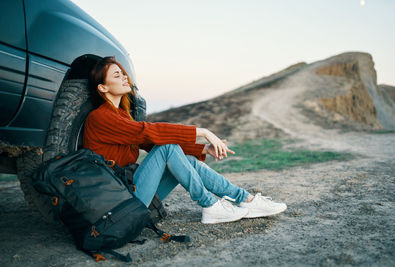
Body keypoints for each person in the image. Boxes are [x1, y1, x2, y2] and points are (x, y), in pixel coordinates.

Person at [83, 56, 287, 224]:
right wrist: (202, 131)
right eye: (117, 75)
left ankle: (246, 200)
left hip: (132, 195)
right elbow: (147, 132)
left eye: (123, 73)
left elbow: (150, 143)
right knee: (169, 147)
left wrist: (203, 150)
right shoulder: (100, 117)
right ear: (102, 88)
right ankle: (209, 205)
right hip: (119, 204)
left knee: (183, 158)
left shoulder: (121, 116)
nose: (124, 78)